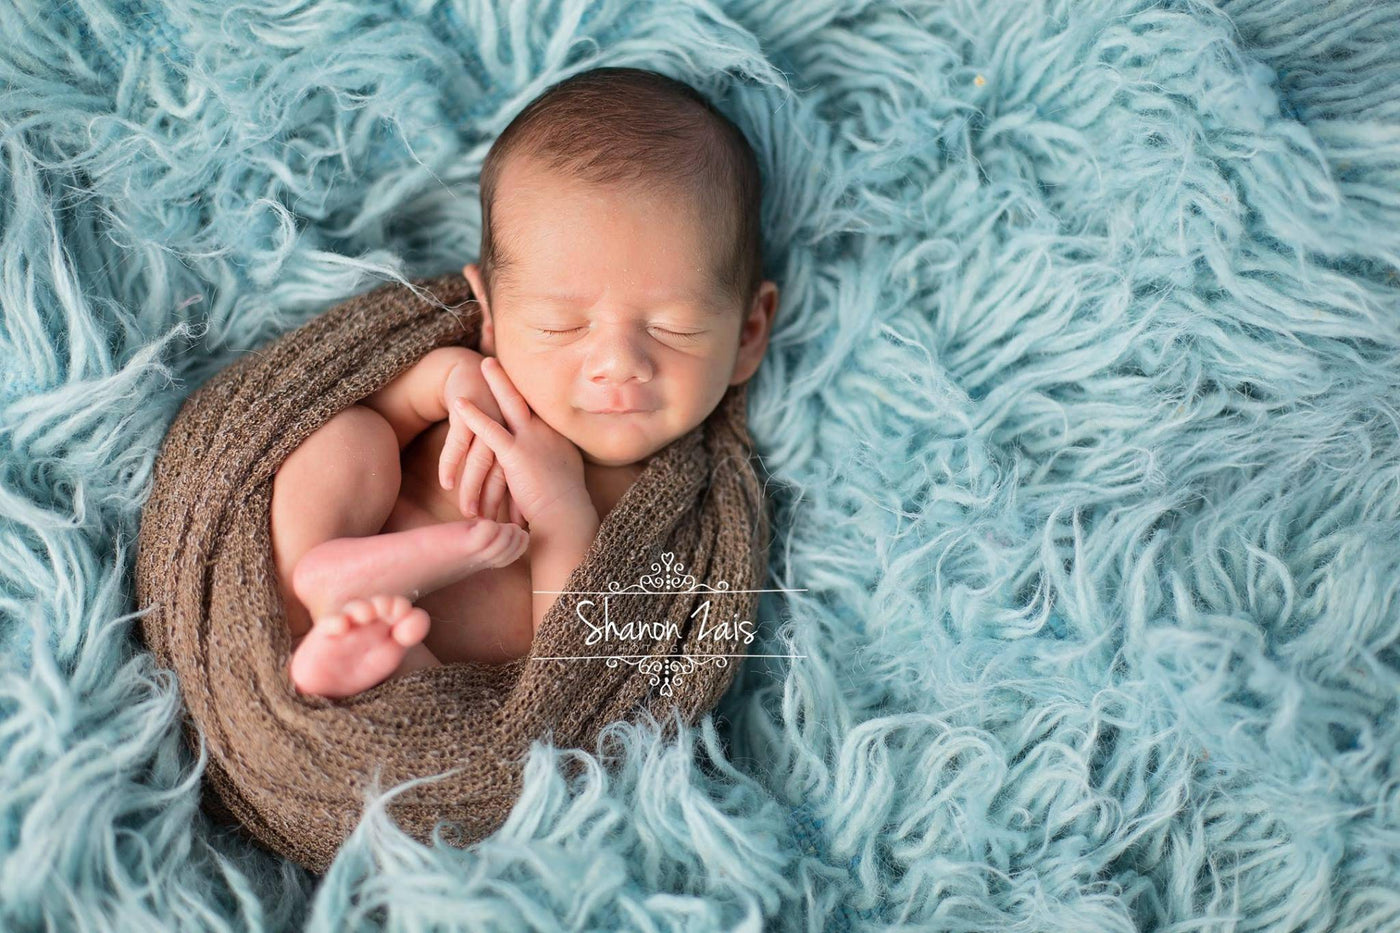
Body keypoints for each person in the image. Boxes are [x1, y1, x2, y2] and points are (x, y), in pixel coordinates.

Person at [271, 67, 779, 699]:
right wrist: (441, 382)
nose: (617, 363)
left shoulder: (683, 516)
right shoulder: (480, 382)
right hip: (327, 555)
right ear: (489, 317)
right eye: (561, 326)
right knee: (352, 432)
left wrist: (561, 513)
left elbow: (580, 676)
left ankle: (357, 652)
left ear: (748, 333)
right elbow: (338, 402)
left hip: (415, 673)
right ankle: (311, 576)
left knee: (474, 689)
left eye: (673, 328)